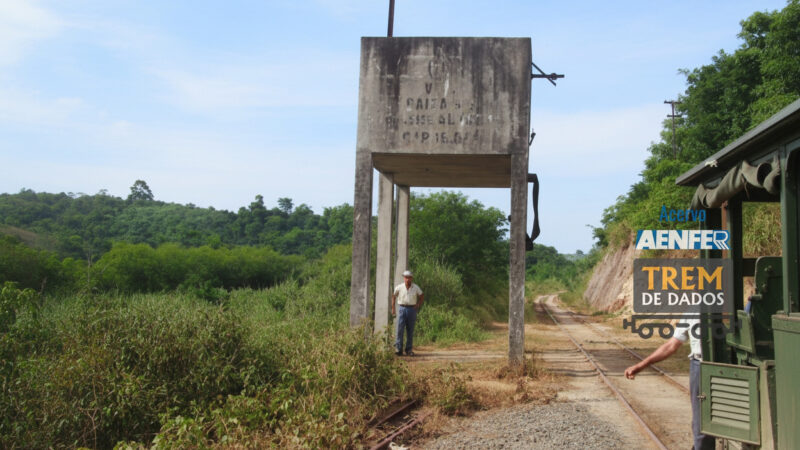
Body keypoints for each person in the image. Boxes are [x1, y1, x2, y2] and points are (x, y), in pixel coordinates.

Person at [624, 316, 715, 450]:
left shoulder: (729, 306)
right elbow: (671, 345)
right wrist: (641, 366)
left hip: (728, 366)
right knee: (702, 422)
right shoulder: (692, 312)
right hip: (700, 366)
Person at [392, 270, 424, 356]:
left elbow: (421, 296)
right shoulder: (399, 287)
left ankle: (409, 349)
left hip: (411, 309)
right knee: (400, 329)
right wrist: (393, 308)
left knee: (410, 330)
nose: (407, 279)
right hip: (402, 308)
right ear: (404, 278)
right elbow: (394, 296)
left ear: (412, 278)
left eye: (409, 277)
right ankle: (399, 349)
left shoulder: (415, 287)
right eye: (406, 278)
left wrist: (418, 305)